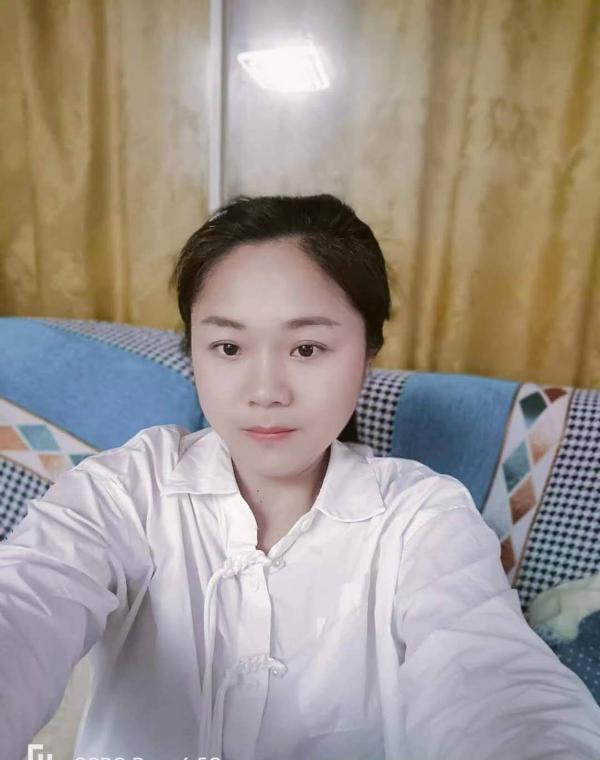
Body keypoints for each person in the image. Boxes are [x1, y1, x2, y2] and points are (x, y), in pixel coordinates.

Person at [1, 194, 599, 760]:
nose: (266, 391)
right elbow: (26, 600)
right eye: (228, 348)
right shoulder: (126, 489)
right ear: (194, 352)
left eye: (307, 349)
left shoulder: (422, 518)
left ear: (367, 352)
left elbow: (493, 679)